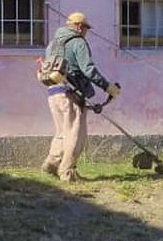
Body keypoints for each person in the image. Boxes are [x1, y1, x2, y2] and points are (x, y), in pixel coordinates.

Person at [41, 12, 120, 182]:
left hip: (53, 92)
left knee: (62, 132)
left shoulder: (53, 44)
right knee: (76, 135)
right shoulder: (78, 42)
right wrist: (108, 87)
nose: (86, 32)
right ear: (79, 26)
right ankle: (67, 173)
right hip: (71, 95)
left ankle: (51, 164)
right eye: (86, 28)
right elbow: (88, 69)